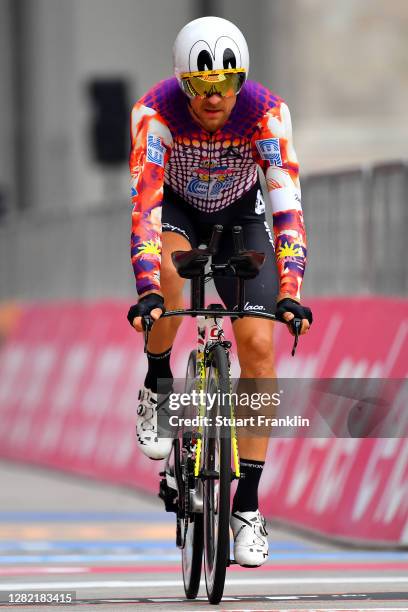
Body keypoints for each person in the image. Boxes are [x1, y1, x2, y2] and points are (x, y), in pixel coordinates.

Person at [127, 16, 312, 567]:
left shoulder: (267, 114)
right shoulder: (154, 113)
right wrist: (147, 291)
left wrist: (289, 290)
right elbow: (145, 210)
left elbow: (287, 209)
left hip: (241, 215)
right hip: (178, 210)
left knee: (257, 347)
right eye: (202, 86)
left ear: (242, 80)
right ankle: (158, 382)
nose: (214, 98)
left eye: (227, 83)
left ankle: (248, 504)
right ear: (183, 82)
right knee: (171, 279)